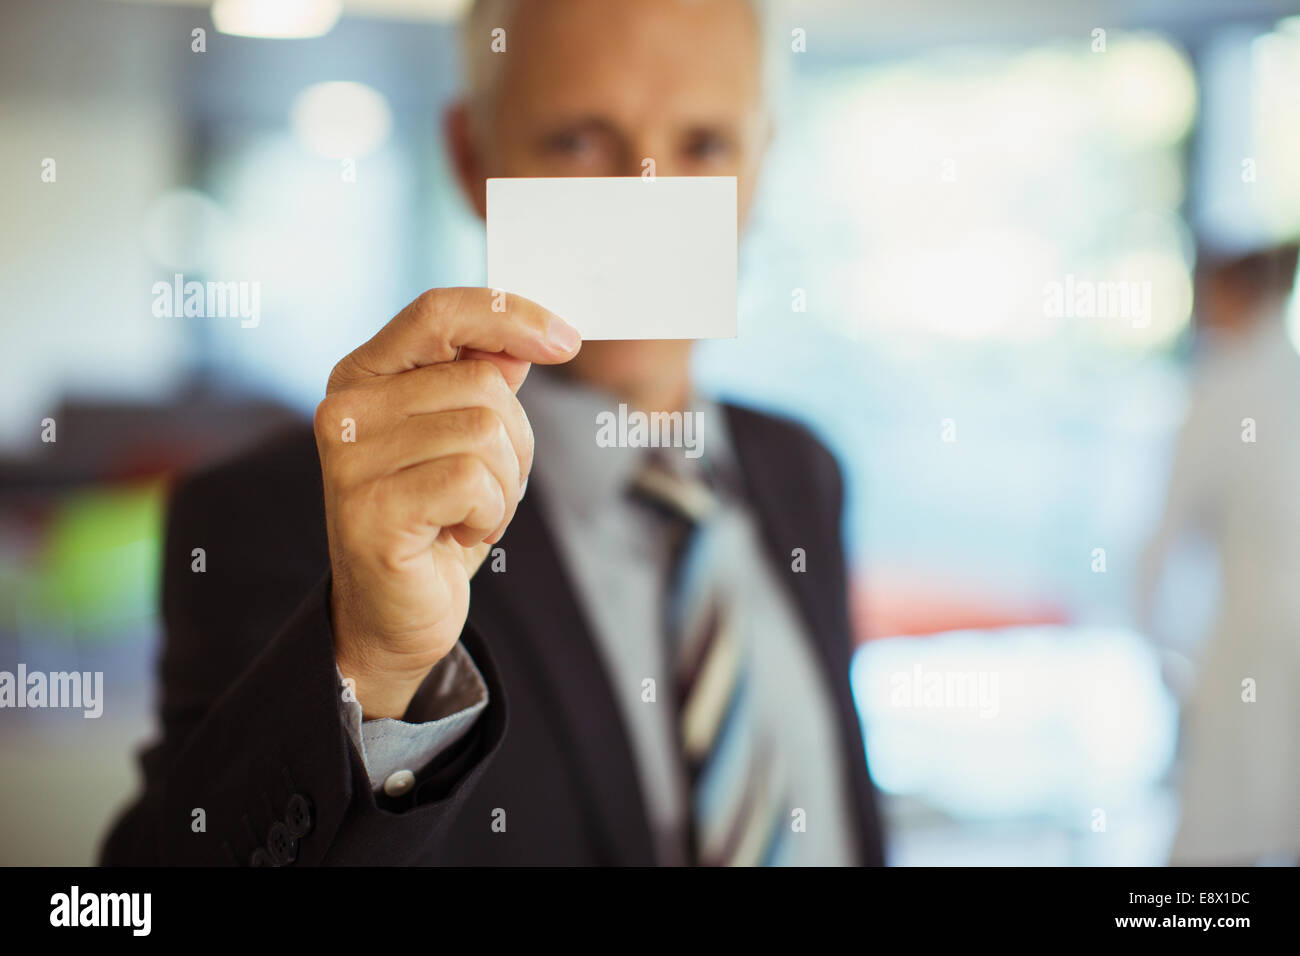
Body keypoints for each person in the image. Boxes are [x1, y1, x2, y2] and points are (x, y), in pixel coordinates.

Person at [101, 0, 885, 866]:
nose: (646, 199)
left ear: (762, 165)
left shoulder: (803, 471)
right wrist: (374, 662)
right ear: (472, 157)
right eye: (578, 142)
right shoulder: (284, 517)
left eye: (704, 145)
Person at [1139, 241, 1300, 865]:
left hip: (1250, 642)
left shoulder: (1223, 389)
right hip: (1264, 633)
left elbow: (1163, 535)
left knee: (1213, 847)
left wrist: (1153, 638)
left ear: (1230, 295)